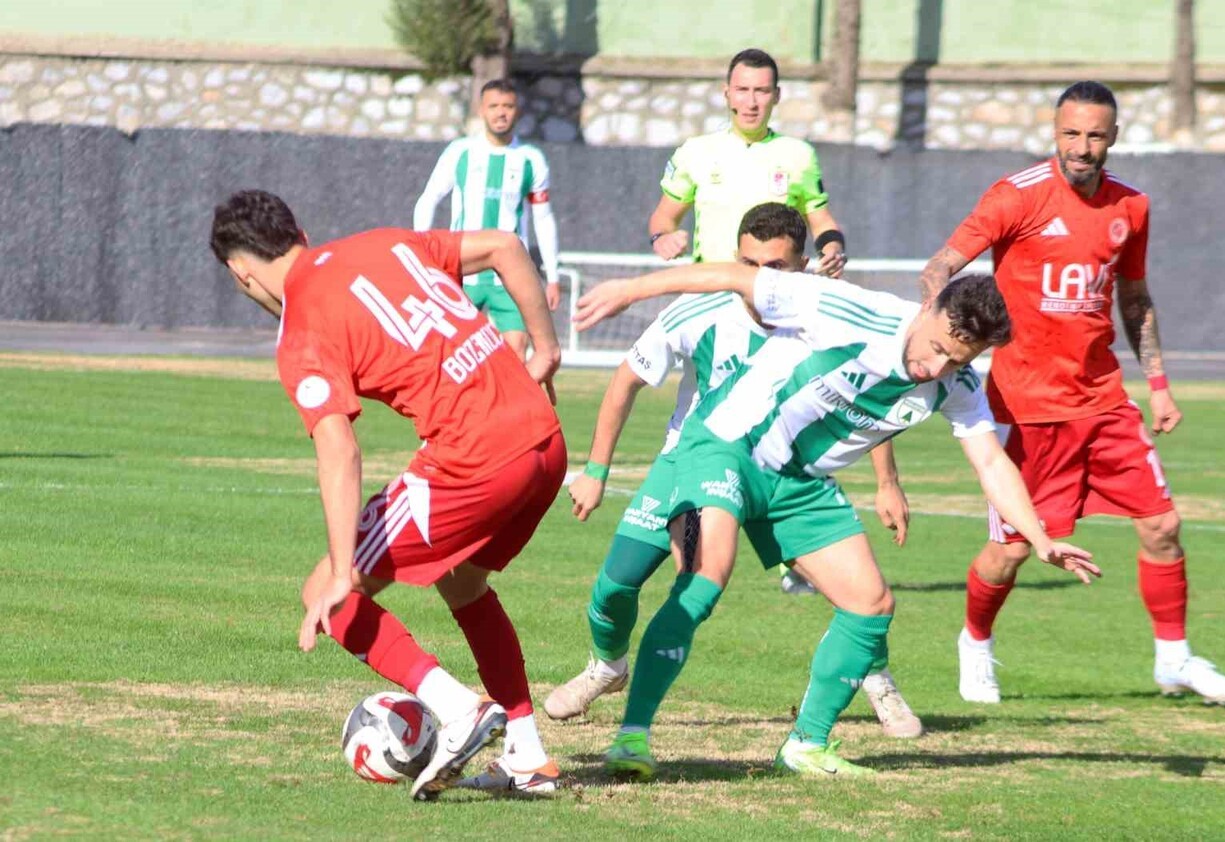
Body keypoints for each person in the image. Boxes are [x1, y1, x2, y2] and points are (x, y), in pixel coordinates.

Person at [573, 264, 1099, 780]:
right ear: (928, 309)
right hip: (729, 446)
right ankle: (633, 735)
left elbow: (990, 462)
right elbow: (734, 277)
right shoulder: (848, 308)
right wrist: (630, 290)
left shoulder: (957, 384)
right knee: (707, 576)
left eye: (957, 358)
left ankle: (806, 745)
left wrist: (1038, 538)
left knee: (871, 604)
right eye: (938, 347)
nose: (936, 368)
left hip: (799, 482)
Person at [209, 190, 565, 799]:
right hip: (544, 443)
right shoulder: (384, 242)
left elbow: (340, 450)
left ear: (240, 273)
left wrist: (347, 571)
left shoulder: (302, 327)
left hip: (475, 462)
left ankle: (456, 710)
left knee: (325, 593)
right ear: (298, 228)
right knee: (463, 582)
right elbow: (507, 247)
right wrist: (547, 346)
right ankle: (526, 755)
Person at [917, 80, 1225, 706]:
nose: (1083, 147)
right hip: (1026, 408)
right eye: (1072, 133)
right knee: (1008, 554)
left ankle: (1174, 659)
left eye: (1096, 135)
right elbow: (941, 265)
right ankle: (975, 643)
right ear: (1055, 131)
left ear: (1113, 137)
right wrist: (935, 326)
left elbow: (1135, 298)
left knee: (1163, 525)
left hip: (1103, 402)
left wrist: (1159, 385)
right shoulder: (1016, 197)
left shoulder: (1132, 207)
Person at [544, 203, 922, 740]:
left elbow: (871, 399)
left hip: (784, 472)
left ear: (804, 264)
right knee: (615, 586)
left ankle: (875, 676)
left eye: (775, 268)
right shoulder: (699, 310)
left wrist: (887, 482)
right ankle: (607, 667)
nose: (757, 280)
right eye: (747, 263)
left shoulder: (829, 312)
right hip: (694, 463)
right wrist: (596, 470)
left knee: (857, 594)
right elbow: (627, 379)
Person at [650, 48, 848, 594]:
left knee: (788, 414)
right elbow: (664, 216)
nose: (752, 100)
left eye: (763, 90)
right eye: (743, 89)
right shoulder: (696, 152)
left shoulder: (798, 155)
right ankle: (685, 517)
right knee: (698, 416)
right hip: (712, 304)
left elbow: (821, 217)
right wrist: (664, 237)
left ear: (777, 96)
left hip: (778, 311)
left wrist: (834, 245)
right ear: (726, 92)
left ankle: (789, 545)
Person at [412, 78, 561, 357]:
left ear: (518, 111)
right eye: (494, 106)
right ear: (482, 110)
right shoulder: (460, 152)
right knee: (450, 353)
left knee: (518, 349)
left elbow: (543, 218)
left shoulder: (531, 159)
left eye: (508, 106)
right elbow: (429, 198)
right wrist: (422, 251)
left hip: (511, 274)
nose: (501, 112)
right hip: (462, 270)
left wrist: (552, 276)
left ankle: (510, 401)